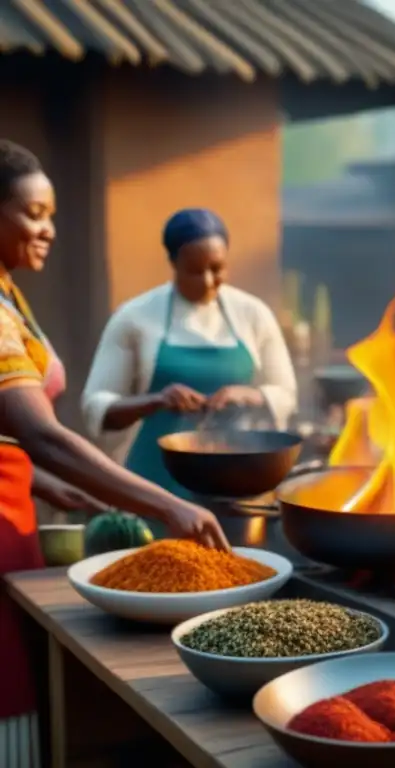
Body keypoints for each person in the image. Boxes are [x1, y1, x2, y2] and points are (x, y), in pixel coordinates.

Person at [0, 140, 228, 765]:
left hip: (17, 508)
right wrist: (168, 505)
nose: (48, 229)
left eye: (50, 214)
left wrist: (47, 486)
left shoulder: (9, 292)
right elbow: (43, 431)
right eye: (33, 213)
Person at [81, 208, 297, 516]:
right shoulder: (135, 317)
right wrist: (156, 400)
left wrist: (247, 394)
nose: (209, 281)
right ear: (173, 264)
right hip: (152, 484)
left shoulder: (253, 314)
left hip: (234, 488)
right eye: (195, 270)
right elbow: (96, 406)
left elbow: (285, 393)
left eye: (218, 268)